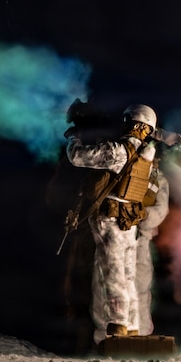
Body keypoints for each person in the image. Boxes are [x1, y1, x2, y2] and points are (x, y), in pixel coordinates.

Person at [64, 104, 162, 342]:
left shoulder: (120, 150)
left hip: (111, 219)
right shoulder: (146, 153)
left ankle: (118, 325)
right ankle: (131, 324)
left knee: (114, 272)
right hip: (130, 220)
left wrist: (74, 138)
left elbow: (77, 157)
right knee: (128, 274)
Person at [134, 161, 170, 336]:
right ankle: (105, 338)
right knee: (110, 287)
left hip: (141, 239)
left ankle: (141, 335)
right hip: (113, 236)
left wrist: (141, 214)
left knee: (140, 287)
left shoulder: (157, 180)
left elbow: (160, 210)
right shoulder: (121, 169)